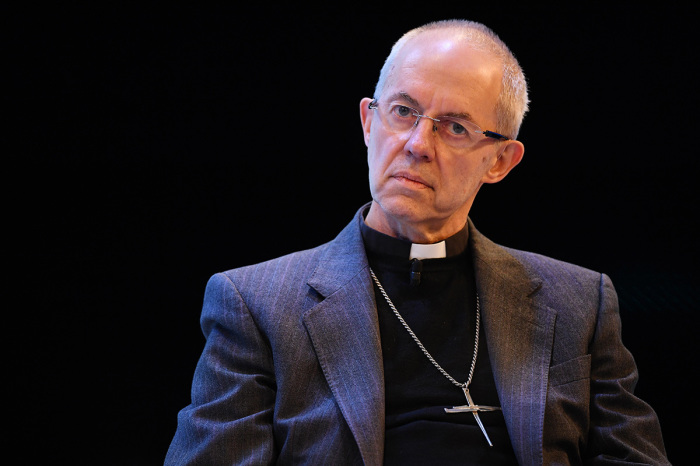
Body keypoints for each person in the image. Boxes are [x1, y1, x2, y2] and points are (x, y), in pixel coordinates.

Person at [166, 19, 669, 465]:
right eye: (404, 111)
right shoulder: (256, 304)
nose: (416, 145)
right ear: (368, 121)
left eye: (454, 127)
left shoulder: (580, 301)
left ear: (500, 161)